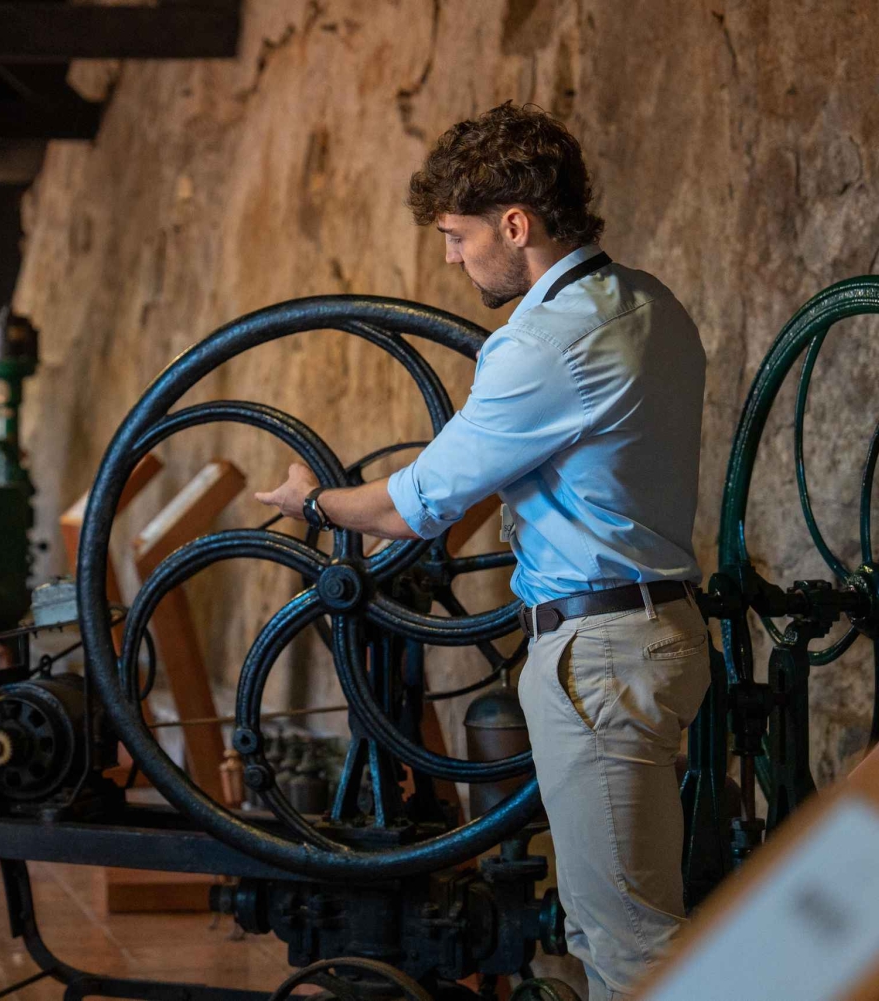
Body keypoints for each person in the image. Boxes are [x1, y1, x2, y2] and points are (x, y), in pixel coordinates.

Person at [253, 102, 711, 1001]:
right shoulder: (651, 305)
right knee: (627, 924)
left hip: (595, 657)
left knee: (629, 943)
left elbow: (413, 506)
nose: (451, 259)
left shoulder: (540, 344)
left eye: (458, 237)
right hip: (659, 634)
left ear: (516, 225)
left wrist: (312, 501)